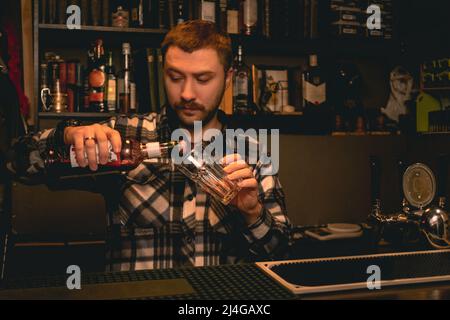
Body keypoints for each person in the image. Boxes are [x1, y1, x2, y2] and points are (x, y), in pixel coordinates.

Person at [13, 20, 291, 271]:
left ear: (228, 79)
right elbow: (16, 163)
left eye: (203, 79)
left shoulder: (252, 152)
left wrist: (252, 213)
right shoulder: (121, 135)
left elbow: (279, 255)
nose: (186, 93)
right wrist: (68, 135)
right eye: (175, 76)